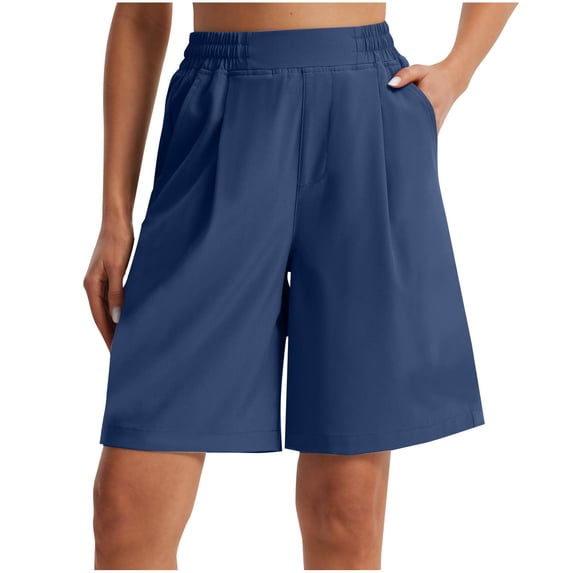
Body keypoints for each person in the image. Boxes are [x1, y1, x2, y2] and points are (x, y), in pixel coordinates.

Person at [84, 2, 517, 570]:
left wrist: (459, 69)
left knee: (347, 510)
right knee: (125, 510)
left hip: (366, 109)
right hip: (218, 105)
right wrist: (115, 218)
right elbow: (141, 14)